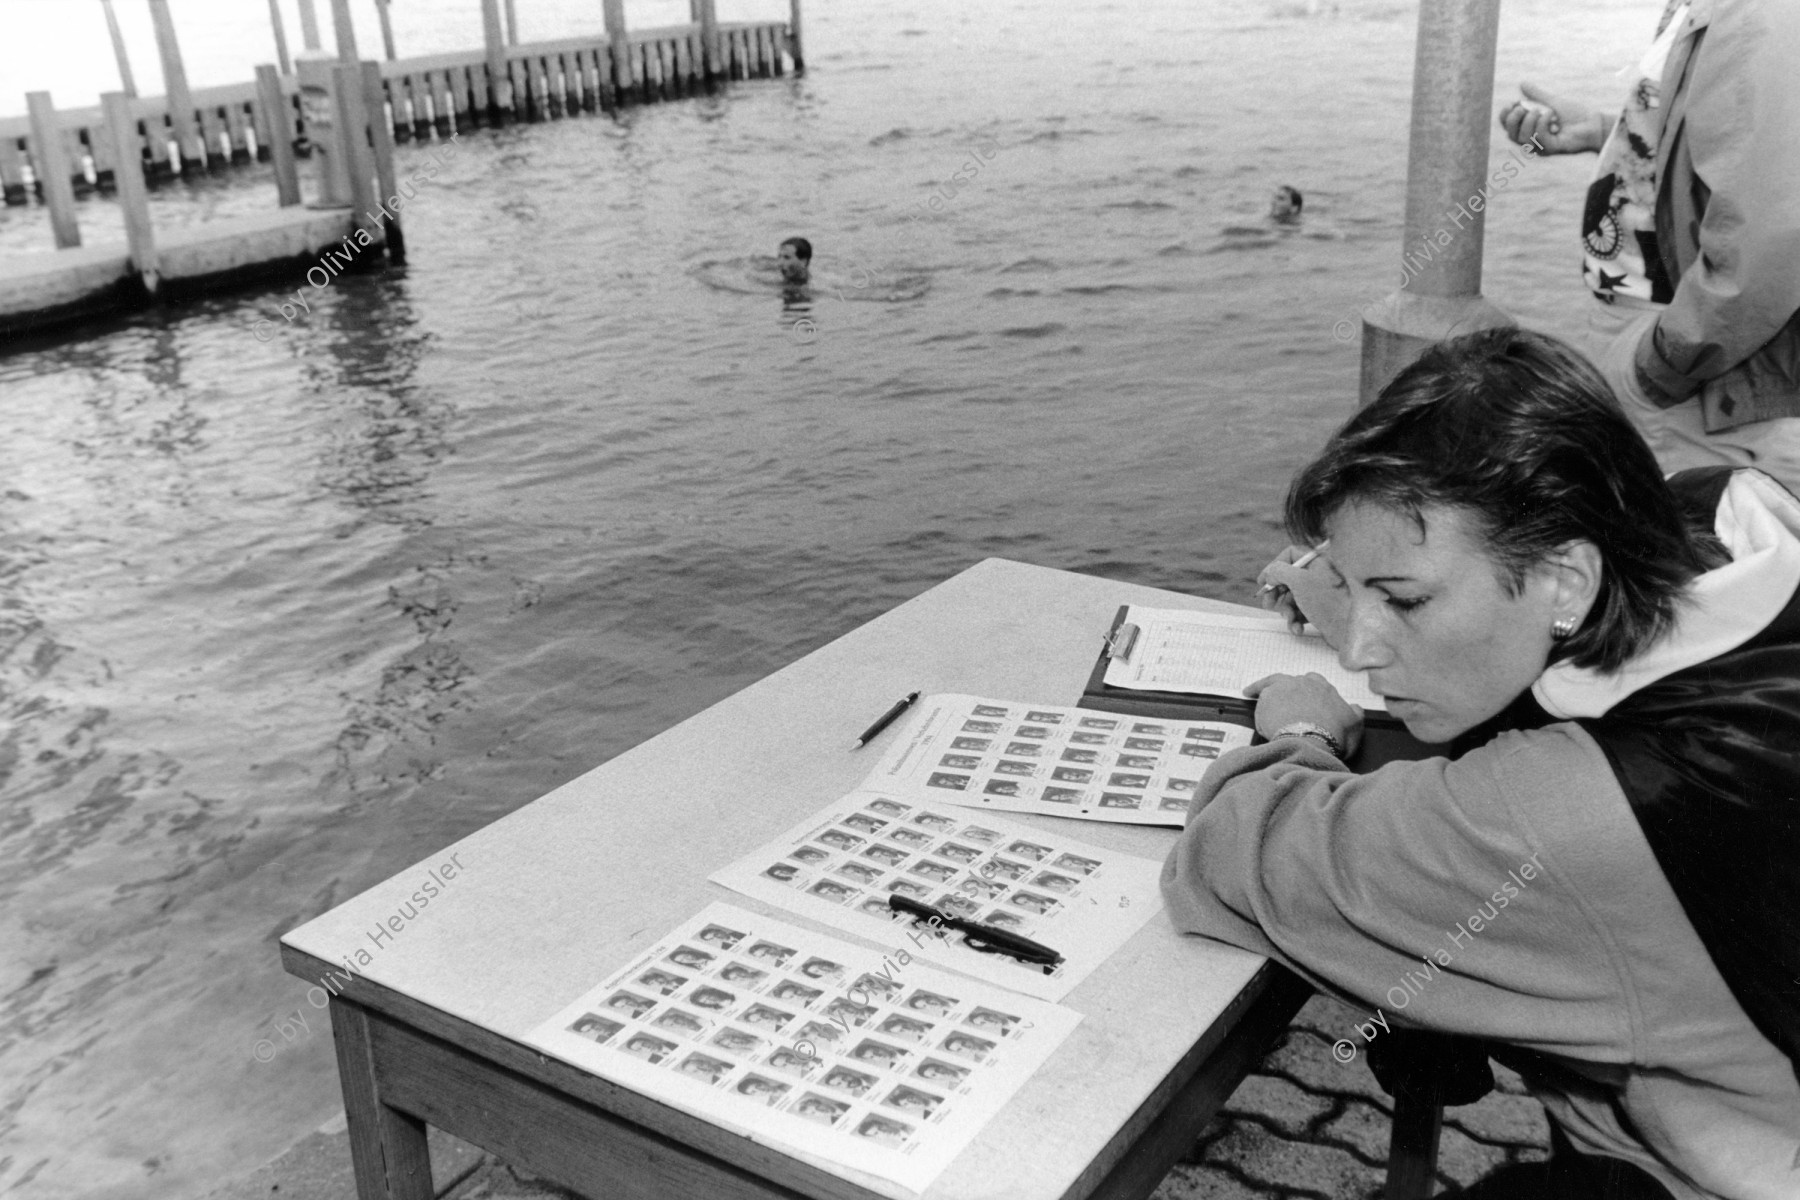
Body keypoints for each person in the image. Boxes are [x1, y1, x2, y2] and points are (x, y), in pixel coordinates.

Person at [1172, 328, 1800, 1198]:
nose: (1357, 651)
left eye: (1406, 599)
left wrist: (1304, 735)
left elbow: (1235, 854)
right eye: (1353, 590)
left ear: (1567, 583)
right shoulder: (1729, 516)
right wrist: (1375, 588)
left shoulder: (1573, 816)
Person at [1496, 1, 1800, 494]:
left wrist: (1663, 365)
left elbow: (1773, 233)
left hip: (1698, 368)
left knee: (1685, 558)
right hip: (1682, 348)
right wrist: (1607, 130)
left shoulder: (1762, 10)